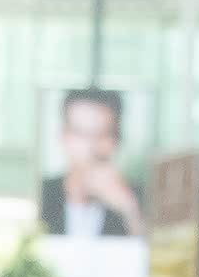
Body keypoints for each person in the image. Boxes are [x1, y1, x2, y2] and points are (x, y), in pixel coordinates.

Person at [40, 88, 144, 238]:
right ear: (64, 136)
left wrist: (130, 211)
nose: (91, 147)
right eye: (81, 134)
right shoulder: (42, 194)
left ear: (117, 139)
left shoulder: (137, 199)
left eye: (103, 135)